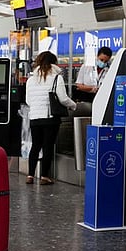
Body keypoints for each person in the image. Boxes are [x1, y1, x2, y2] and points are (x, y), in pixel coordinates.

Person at [25, 51, 76, 185]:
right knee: (47, 146)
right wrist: (74, 105)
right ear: (54, 63)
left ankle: (30, 175)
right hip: (50, 117)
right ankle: (44, 176)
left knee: (35, 146)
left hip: (35, 117)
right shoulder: (56, 78)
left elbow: (28, 100)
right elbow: (63, 99)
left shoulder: (31, 80)